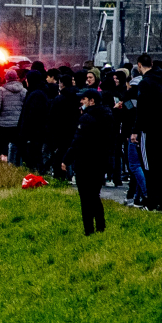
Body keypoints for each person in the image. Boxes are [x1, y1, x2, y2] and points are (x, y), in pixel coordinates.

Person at [62, 89, 113, 236]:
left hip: (85, 161)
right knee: (95, 195)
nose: (81, 102)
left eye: (83, 99)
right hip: (101, 161)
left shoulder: (86, 118)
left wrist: (67, 159)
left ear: (92, 101)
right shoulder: (108, 115)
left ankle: (89, 230)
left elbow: (78, 141)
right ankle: (101, 227)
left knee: (85, 197)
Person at [131, 54, 162, 211]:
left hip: (149, 129)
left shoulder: (145, 83)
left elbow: (142, 109)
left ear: (139, 65)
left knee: (148, 167)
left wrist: (135, 130)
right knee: (159, 166)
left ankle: (151, 201)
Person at [18, 70, 49, 173]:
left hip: (34, 134)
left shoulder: (36, 94)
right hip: (35, 133)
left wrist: (26, 132)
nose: (25, 81)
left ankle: (37, 176)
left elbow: (32, 116)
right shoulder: (36, 92)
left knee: (34, 157)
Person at [0, 69, 26, 163]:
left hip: (3, 124)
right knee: (16, 146)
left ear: (6, 78)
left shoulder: (1, 90)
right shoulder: (23, 90)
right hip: (17, 124)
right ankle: (15, 165)